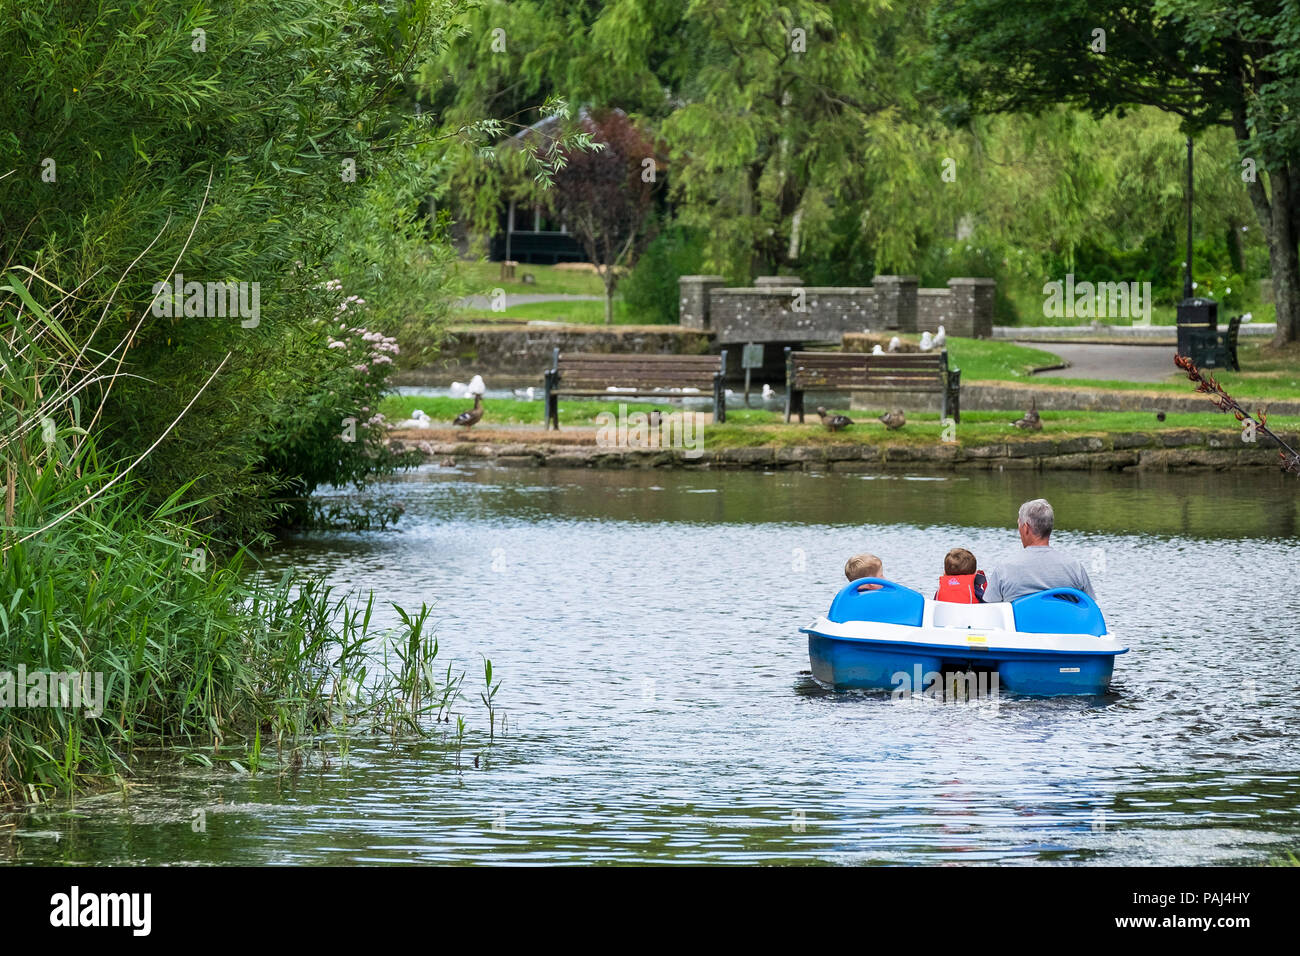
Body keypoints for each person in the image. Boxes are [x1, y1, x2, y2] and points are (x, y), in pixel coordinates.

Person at [982, 498, 1096, 603]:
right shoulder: (1075, 568)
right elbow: (1091, 608)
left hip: (1022, 625)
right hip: (1064, 625)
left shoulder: (1005, 569)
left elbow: (990, 612)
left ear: (1026, 528)